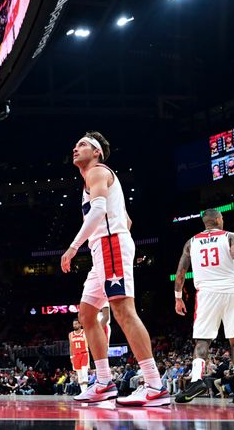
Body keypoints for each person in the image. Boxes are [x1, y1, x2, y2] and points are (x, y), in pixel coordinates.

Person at [60, 132, 169, 406]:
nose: (76, 148)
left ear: (96, 152)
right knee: (86, 315)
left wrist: (74, 247)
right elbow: (128, 220)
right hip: (105, 249)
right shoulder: (95, 177)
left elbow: (98, 212)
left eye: (82, 144)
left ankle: (155, 384)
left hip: (109, 245)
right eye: (75, 144)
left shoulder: (96, 171)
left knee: (123, 311)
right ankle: (104, 383)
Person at [173, 208, 234, 404]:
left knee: (202, 341)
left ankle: (196, 381)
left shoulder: (191, 242)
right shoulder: (230, 236)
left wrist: (178, 297)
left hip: (207, 294)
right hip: (233, 291)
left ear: (205, 222)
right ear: (219, 219)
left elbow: (180, 273)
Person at [69, 319, 90, 393]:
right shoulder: (71, 334)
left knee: (84, 372)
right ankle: (83, 392)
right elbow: (71, 346)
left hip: (84, 353)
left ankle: (86, 391)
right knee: (79, 374)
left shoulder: (84, 332)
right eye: (73, 324)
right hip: (75, 355)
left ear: (80, 324)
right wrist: (71, 356)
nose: (74, 325)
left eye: (76, 324)